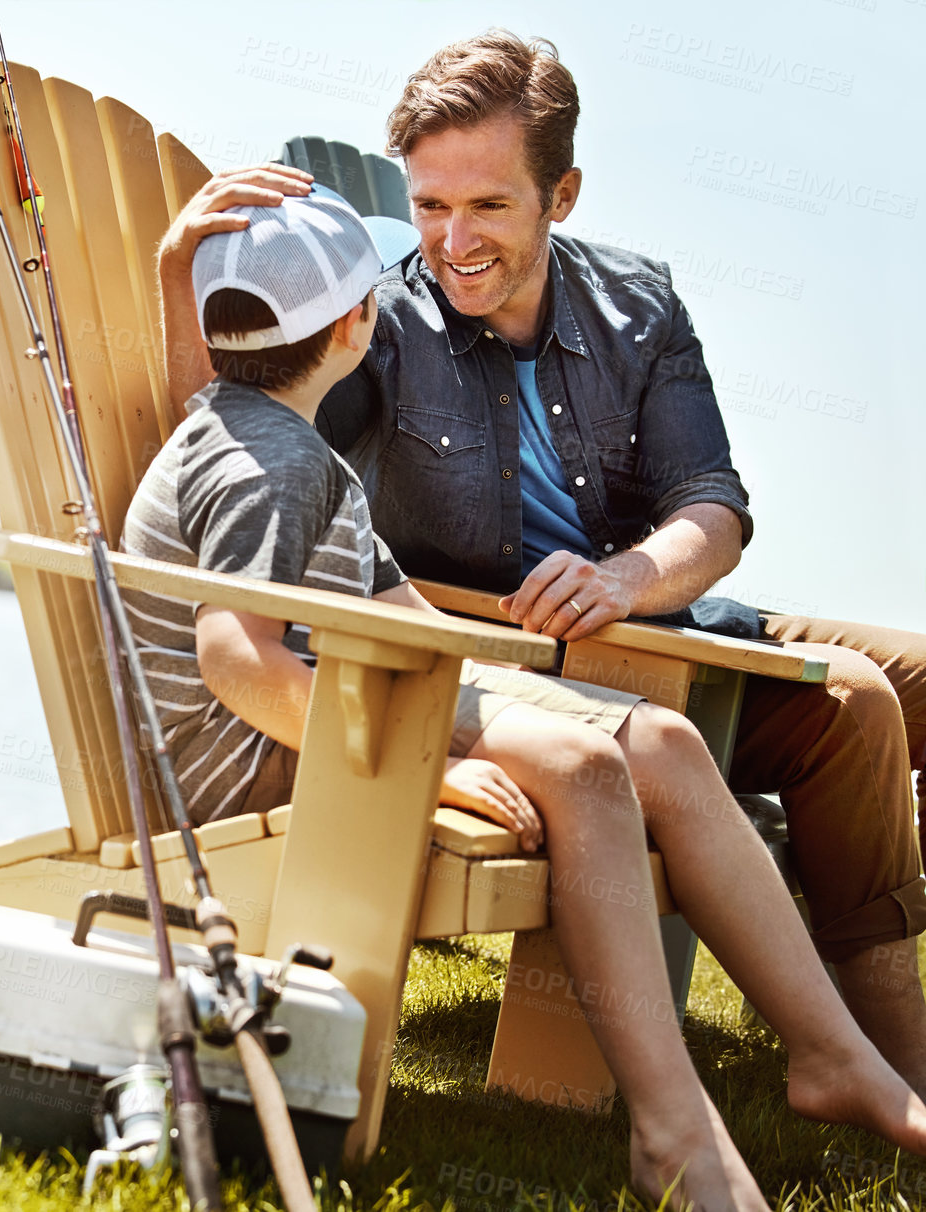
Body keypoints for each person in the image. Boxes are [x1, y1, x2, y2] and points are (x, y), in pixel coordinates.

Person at [153, 28, 926, 1098]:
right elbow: (241, 425)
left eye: (487, 207)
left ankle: (850, 1000)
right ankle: (885, 1060)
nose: (450, 242)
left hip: (659, 620)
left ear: (560, 196)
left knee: (914, 675)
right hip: (526, 660)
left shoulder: (637, 304)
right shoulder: (379, 327)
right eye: (428, 206)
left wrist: (629, 578)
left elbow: (712, 504)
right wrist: (172, 274)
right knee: (852, 705)